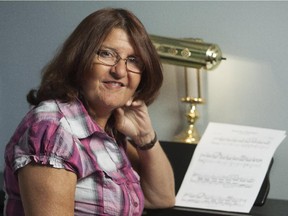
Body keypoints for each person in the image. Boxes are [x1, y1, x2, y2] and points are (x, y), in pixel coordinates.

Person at [3, 8, 175, 216]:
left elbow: (161, 197)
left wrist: (144, 136)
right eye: (106, 54)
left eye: (133, 60)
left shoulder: (106, 128)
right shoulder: (54, 131)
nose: (120, 71)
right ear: (79, 58)